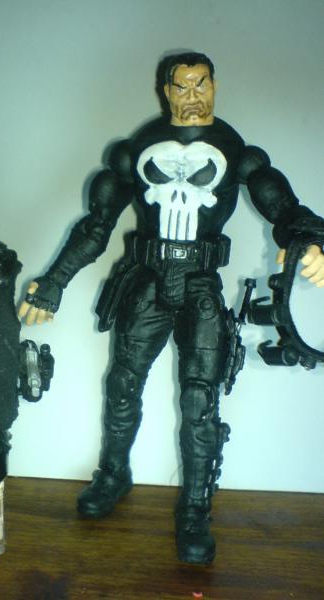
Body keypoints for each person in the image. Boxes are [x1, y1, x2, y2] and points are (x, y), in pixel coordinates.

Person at [19, 52, 324, 564]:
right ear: (165, 90)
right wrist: (53, 282)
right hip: (146, 280)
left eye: (200, 85)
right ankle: (113, 475)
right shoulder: (134, 151)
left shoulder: (238, 152)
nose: (191, 97)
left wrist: (310, 240)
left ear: (215, 86)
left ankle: (195, 507)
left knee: (200, 400)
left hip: (201, 285)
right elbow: (96, 225)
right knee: (122, 384)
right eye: (181, 87)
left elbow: (283, 207)